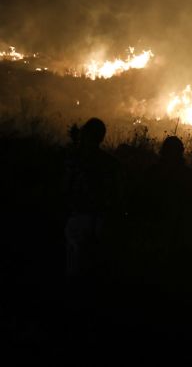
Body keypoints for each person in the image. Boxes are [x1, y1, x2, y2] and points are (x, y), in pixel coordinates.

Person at [63, 117, 122, 278]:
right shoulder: (110, 163)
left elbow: (66, 187)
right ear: (101, 137)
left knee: (75, 263)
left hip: (79, 217)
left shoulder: (73, 159)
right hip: (99, 220)